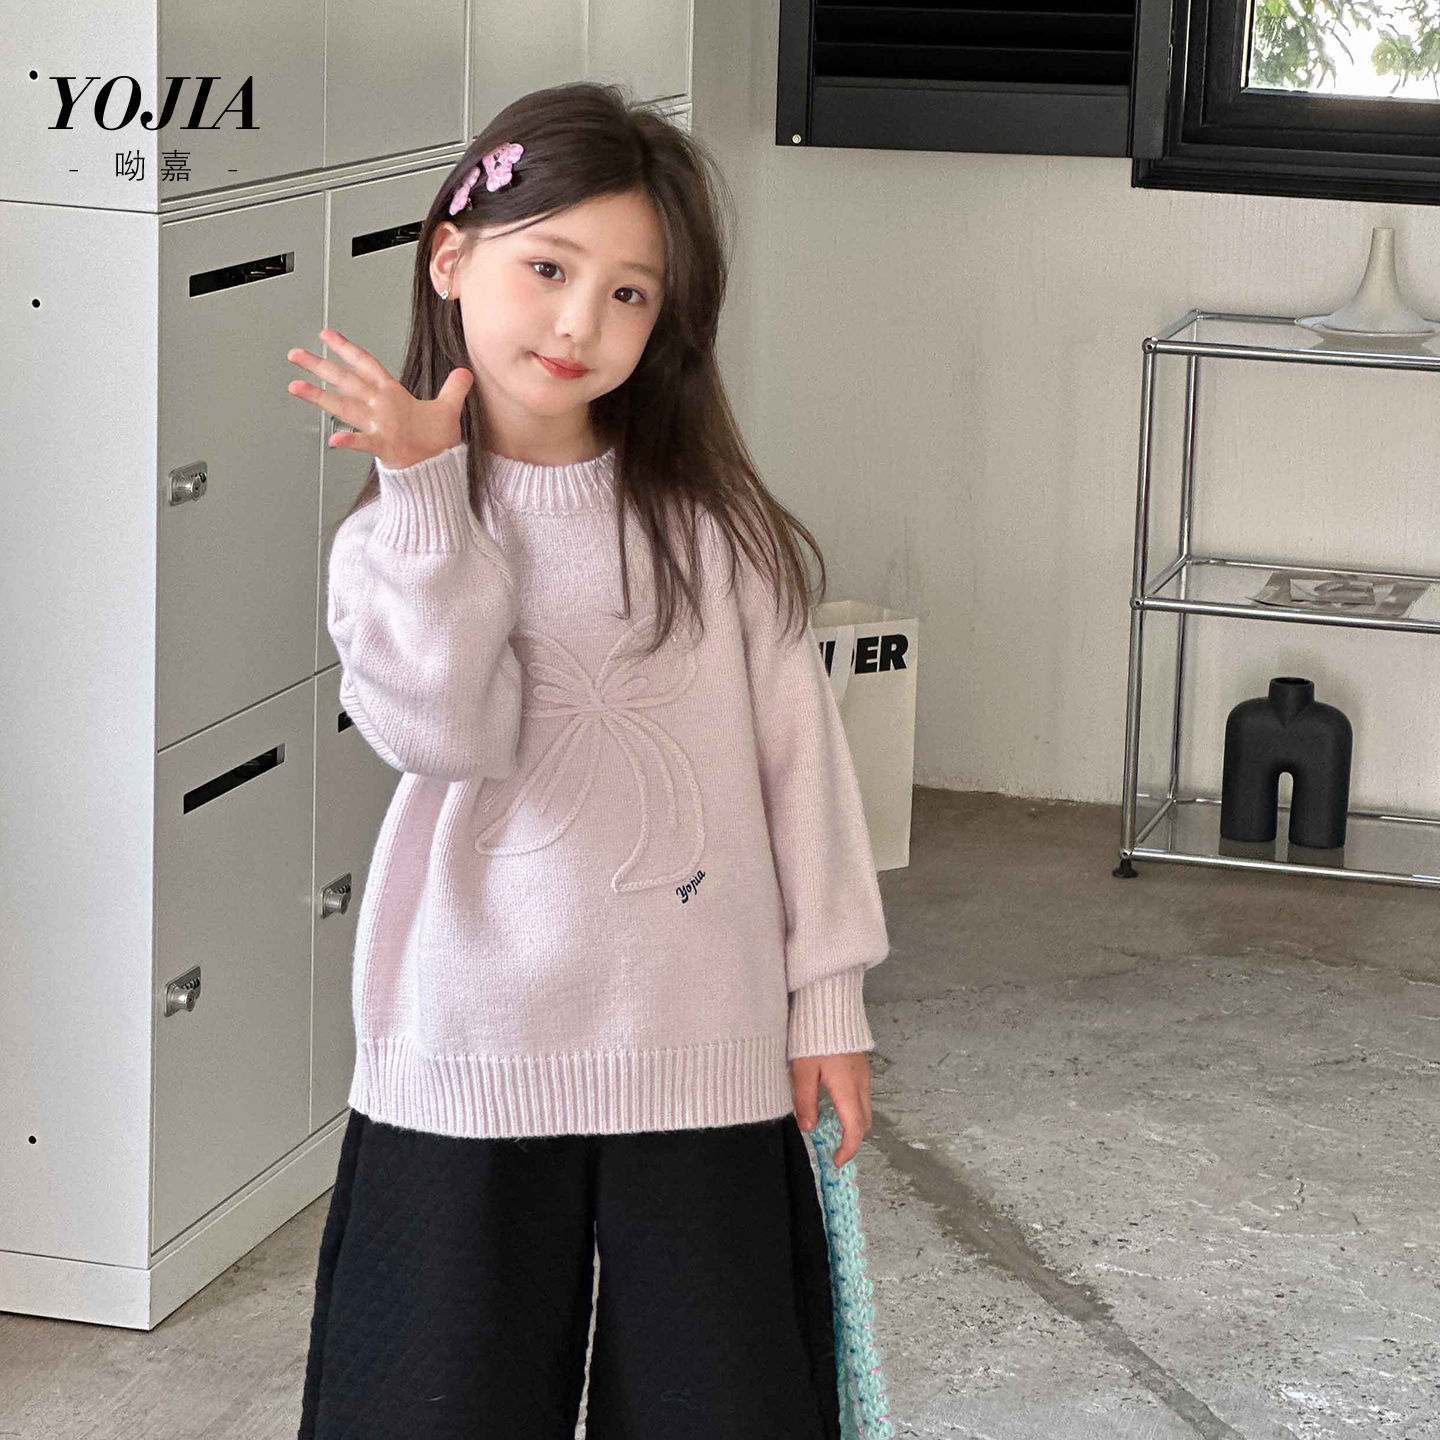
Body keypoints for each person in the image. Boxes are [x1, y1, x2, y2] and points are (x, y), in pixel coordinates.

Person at [286, 81, 890, 1440]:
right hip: (467, 1045)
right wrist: (428, 494)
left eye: (629, 293)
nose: (580, 324)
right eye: (549, 269)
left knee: (722, 1408)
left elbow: (803, 775)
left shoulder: (715, 531)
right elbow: (449, 733)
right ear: (450, 258)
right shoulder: (393, 539)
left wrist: (829, 1003)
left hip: (704, 1046)